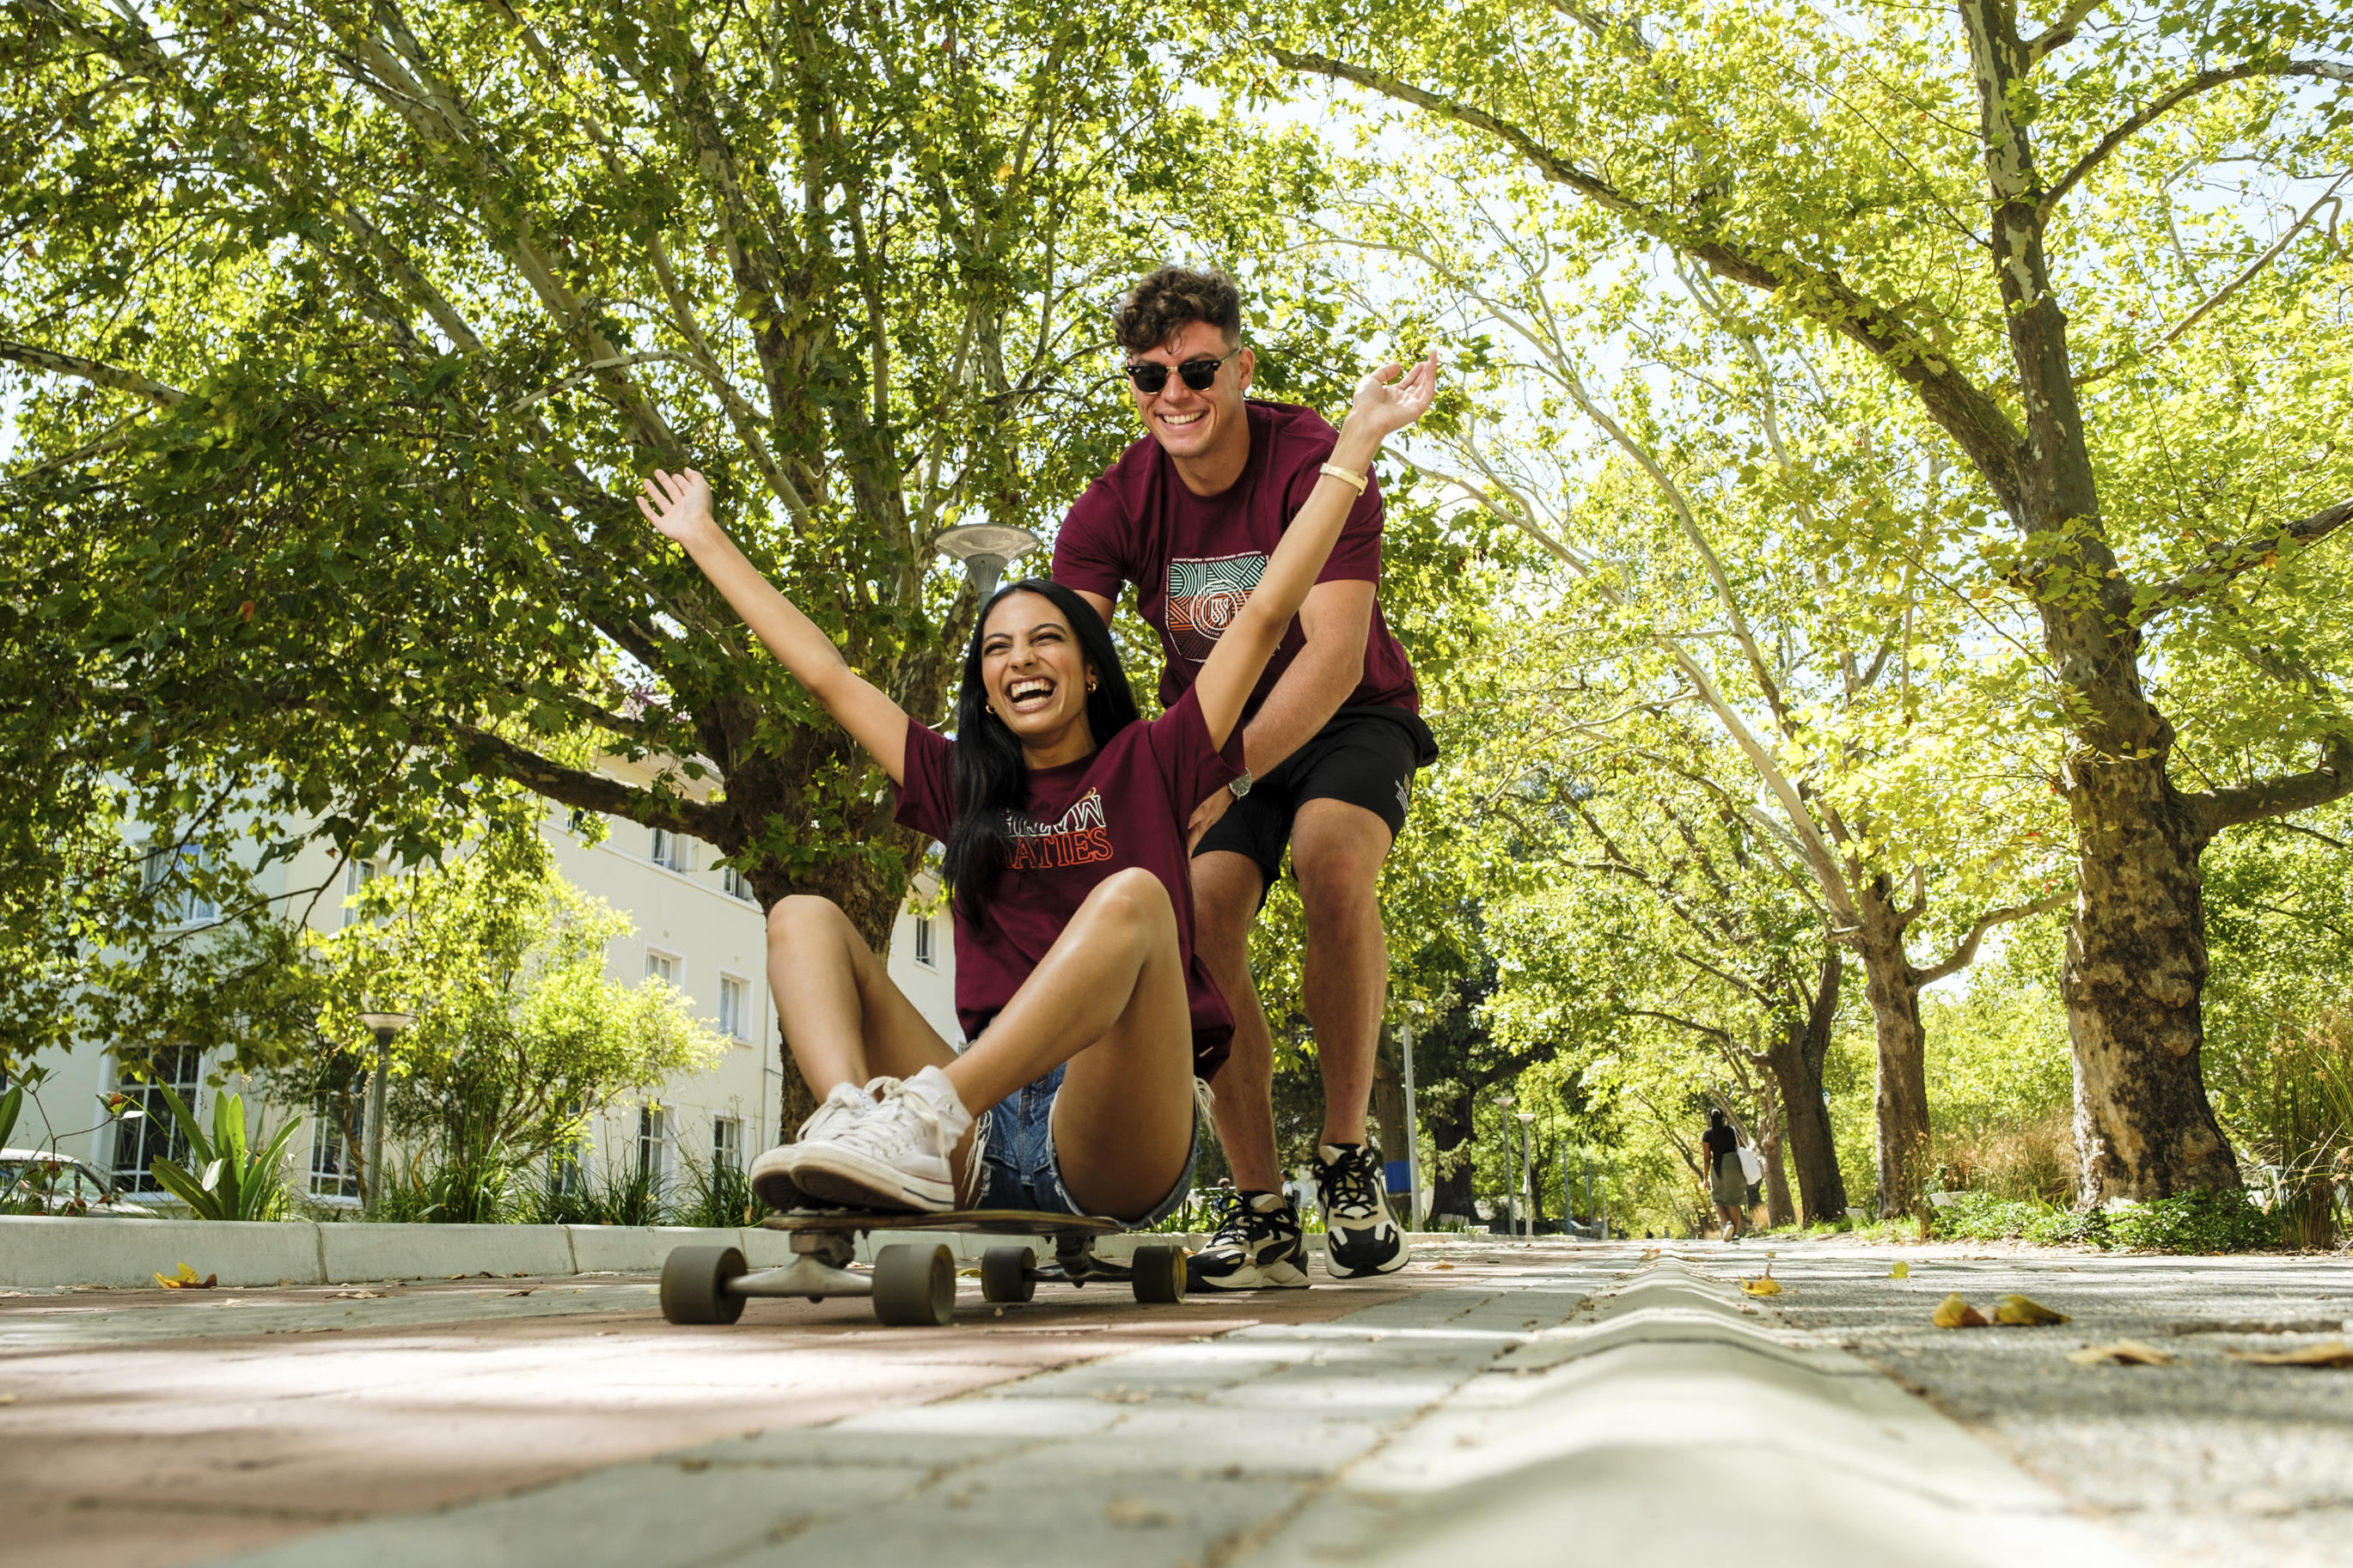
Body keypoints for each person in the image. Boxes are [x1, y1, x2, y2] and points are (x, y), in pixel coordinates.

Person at [634, 355, 1437, 1223]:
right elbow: (828, 676)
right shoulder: (959, 784)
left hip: (1111, 1131)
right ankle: (852, 1124)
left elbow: (1271, 609)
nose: (1019, 657)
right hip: (978, 1128)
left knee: (1133, 898)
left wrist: (1353, 445)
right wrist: (702, 538)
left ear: (1090, 671)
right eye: (996, 648)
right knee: (802, 916)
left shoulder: (1156, 759)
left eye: (1046, 638)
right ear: (983, 685)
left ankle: (923, 1114)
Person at [1054, 265, 1438, 1291]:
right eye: (1147, 376)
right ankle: (1259, 1207)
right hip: (1212, 744)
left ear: (1238, 365)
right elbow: (1057, 659)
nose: (1172, 394)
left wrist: (1213, 775)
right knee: (1204, 914)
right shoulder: (1109, 508)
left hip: (1347, 717)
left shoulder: (1313, 457)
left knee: (1331, 860)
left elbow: (1332, 652)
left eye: (1195, 368)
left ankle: (1347, 1159)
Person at [1702, 1108, 1745, 1242]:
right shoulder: (1732, 1130)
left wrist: (1705, 1178)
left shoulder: (1707, 1135)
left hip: (1718, 1165)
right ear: (1723, 1117)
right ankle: (1736, 1234)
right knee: (1734, 1199)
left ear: (1710, 1118)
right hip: (1734, 1164)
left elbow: (1707, 1158)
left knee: (1717, 1198)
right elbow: (1742, 1146)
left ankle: (1727, 1223)